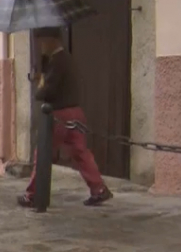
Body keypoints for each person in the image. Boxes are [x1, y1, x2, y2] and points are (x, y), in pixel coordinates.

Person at [18, 28, 113, 208]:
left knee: (43, 153)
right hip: (75, 112)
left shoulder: (58, 61)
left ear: (51, 40)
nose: (40, 45)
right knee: (80, 152)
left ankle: (33, 195)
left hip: (59, 114)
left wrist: (39, 87)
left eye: (42, 41)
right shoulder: (63, 59)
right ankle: (98, 188)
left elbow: (48, 91)